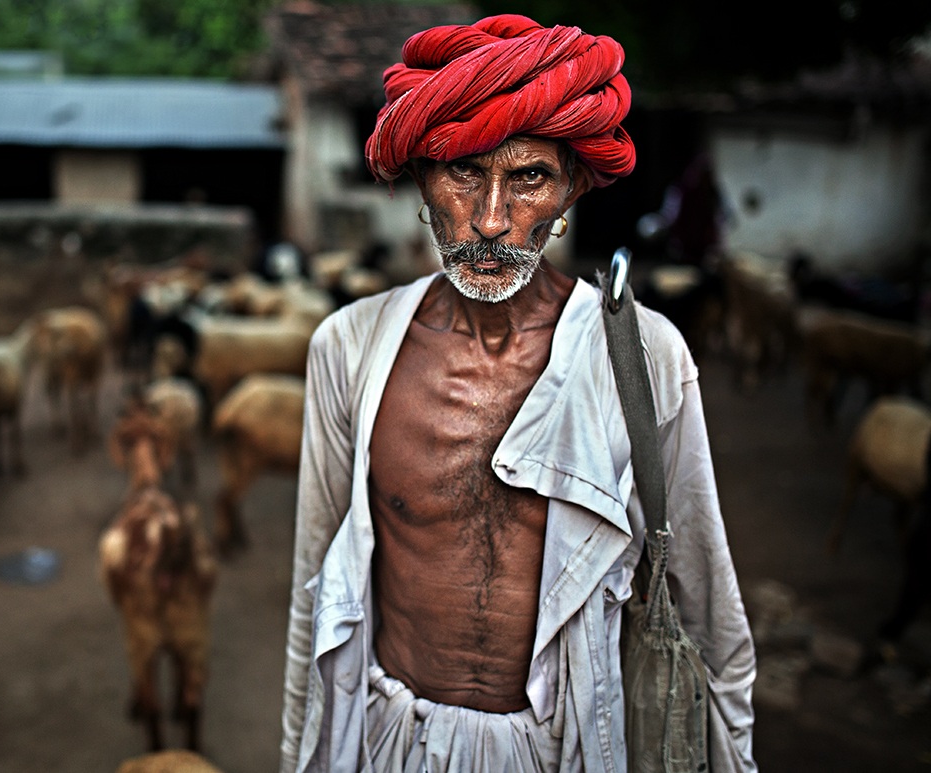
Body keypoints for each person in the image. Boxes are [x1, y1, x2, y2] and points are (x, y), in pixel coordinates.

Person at [280, 14, 757, 773]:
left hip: (564, 749)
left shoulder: (645, 356)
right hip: (390, 742)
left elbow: (707, 611)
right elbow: (317, 590)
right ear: (420, 184)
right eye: (463, 172)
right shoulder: (348, 349)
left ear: (570, 189)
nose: (493, 219)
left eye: (529, 176)